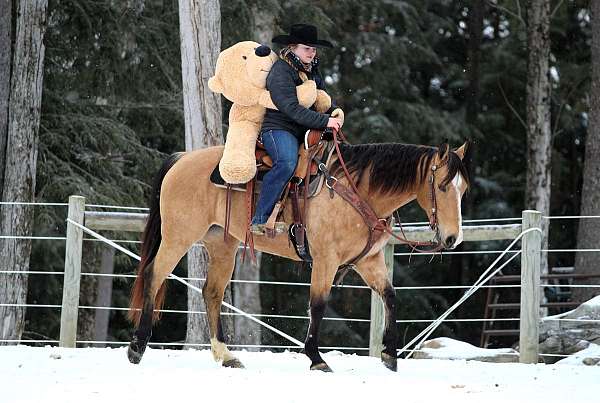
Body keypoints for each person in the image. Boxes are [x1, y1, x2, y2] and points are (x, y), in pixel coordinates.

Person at [250, 23, 343, 235]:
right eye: (306, 48)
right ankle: (260, 219)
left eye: (314, 49)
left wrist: (335, 112)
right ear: (292, 47)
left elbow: (322, 99)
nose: (312, 52)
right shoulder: (281, 71)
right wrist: (324, 121)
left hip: (303, 128)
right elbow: (290, 108)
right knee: (287, 162)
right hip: (279, 128)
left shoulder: (312, 70)